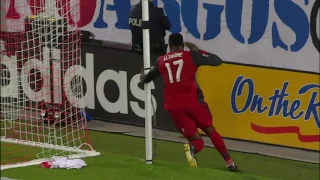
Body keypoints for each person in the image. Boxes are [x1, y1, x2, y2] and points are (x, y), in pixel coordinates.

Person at [139, 33, 237, 172]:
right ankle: (229, 162)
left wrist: (142, 76)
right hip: (193, 102)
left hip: (174, 107)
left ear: (169, 45)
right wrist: (197, 50)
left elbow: (147, 79)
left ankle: (192, 148)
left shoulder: (161, 61)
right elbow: (217, 60)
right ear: (182, 45)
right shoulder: (191, 55)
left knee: (197, 140)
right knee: (210, 130)